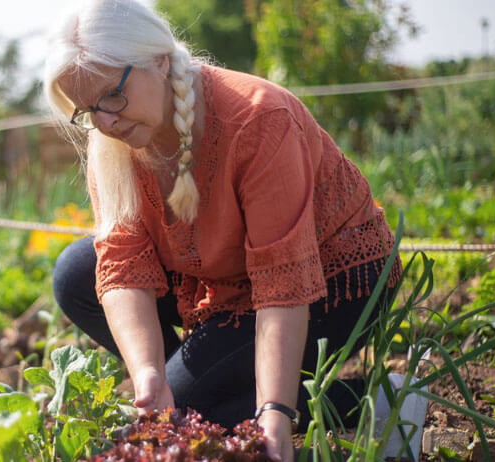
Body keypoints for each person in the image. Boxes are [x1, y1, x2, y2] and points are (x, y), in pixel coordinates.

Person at [43, 0, 402, 460]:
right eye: (87, 110)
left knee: (193, 406)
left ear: (156, 59)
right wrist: (149, 372)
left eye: (111, 97)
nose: (104, 122)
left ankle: (381, 400)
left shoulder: (258, 119)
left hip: (335, 281)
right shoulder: (112, 140)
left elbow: (283, 284)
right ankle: (192, 388)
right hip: (225, 281)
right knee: (77, 271)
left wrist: (274, 410)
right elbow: (123, 261)